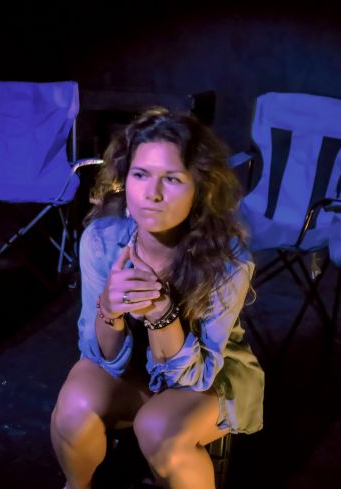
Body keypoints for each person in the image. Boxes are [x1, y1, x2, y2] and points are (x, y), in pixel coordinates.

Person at [50, 107, 264, 489]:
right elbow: (96, 354)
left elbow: (194, 378)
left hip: (207, 375)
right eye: (141, 174)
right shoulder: (102, 240)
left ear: (200, 187)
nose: (152, 194)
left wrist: (162, 314)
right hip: (132, 367)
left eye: (173, 179)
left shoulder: (227, 261)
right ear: (125, 179)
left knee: (160, 429)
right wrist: (109, 310)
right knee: (75, 406)